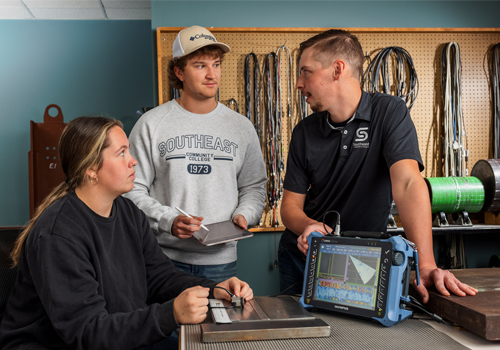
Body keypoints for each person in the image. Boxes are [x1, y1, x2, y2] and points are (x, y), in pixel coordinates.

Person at [0, 116, 253, 350]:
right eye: (122, 153)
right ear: (91, 168)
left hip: (113, 339)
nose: (133, 161)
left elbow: (159, 278)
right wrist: (171, 314)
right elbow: (86, 331)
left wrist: (215, 290)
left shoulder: (127, 212)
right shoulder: (59, 235)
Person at [278, 29, 478, 303]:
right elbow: (289, 208)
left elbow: (408, 184)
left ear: (337, 69)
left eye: (306, 72)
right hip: (304, 254)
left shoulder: (389, 112)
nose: (299, 83)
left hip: (364, 257)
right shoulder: (304, 131)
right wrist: (311, 226)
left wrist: (426, 265)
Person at [124, 25, 267, 281]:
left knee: (218, 322)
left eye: (216, 64)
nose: (212, 74)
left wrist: (245, 215)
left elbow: (254, 187)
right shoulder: (150, 123)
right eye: (200, 65)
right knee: (164, 322)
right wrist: (168, 220)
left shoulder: (241, 127)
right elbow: (130, 189)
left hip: (221, 263)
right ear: (179, 72)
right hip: (162, 260)